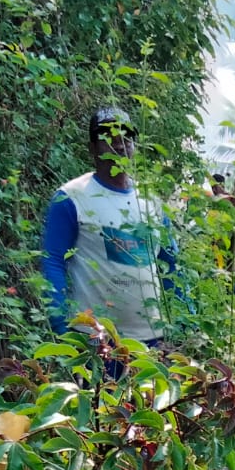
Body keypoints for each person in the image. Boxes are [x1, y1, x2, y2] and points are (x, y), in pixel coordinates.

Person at [40, 106, 177, 346]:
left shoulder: (151, 201)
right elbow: (53, 260)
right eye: (108, 139)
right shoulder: (71, 197)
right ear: (92, 148)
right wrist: (61, 326)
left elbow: (170, 264)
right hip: (96, 340)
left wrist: (182, 324)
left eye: (125, 138)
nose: (119, 145)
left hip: (153, 341)